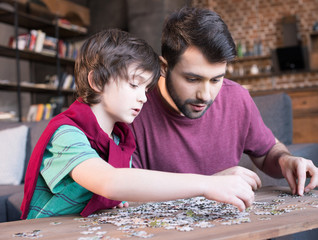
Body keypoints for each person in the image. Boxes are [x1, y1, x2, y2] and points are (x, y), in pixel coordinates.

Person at [20, 29, 257, 219]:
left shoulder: (119, 139)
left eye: (146, 88)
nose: (143, 97)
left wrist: (214, 180)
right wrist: (206, 184)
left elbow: (134, 194)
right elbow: (111, 182)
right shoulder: (66, 135)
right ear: (97, 81)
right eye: (134, 85)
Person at [130, 7, 318, 203]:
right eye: (192, 79)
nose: (205, 95)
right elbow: (127, 194)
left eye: (216, 80)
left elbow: (266, 153)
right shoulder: (133, 108)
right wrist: (208, 184)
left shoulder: (236, 97)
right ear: (164, 67)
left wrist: (285, 160)